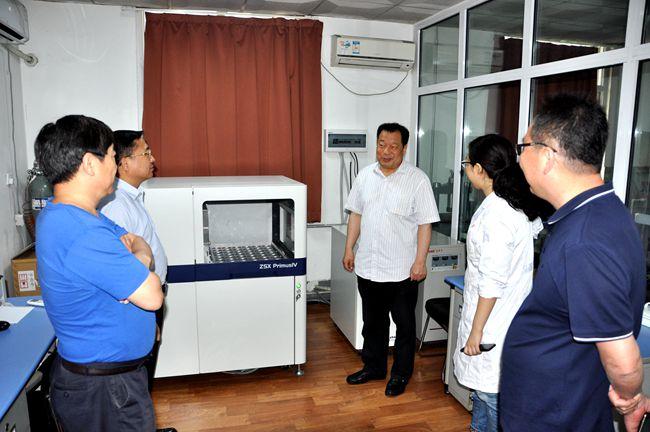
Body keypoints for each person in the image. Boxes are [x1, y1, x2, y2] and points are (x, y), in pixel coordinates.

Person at [500, 95, 646, 431]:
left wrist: (630, 398)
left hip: (555, 414)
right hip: (565, 400)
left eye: (524, 147)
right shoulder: (601, 210)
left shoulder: (584, 241)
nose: (520, 158)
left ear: (547, 156)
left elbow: (623, 361)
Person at [35, 115, 163, 431]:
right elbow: (151, 296)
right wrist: (141, 262)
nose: (115, 166)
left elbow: (136, 239)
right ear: (90, 164)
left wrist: (138, 257)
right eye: (111, 156)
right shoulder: (82, 232)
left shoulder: (74, 214)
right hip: (106, 393)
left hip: (106, 383)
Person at [453, 134, 550, 432]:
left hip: (493, 324)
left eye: (467, 163)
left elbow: (492, 282)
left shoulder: (497, 215)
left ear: (479, 169)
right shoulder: (512, 206)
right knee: (483, 394)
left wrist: (476, 331)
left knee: (492, 396)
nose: (465, 169)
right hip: (504, 318)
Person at [342, 122, 440, 397]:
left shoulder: (417, 180)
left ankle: (400, 374)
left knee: (405, 326)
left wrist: (420, 261)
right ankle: (373, 367)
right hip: (369, 266)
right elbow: (356, 215)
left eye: (393, 146)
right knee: (372, 324)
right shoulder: (365, 176)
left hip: (402, 271)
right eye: (381, 145)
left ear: (404, 148)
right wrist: (349, 249)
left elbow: (425, 224)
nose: (386, 151)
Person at [98, 131, 175, 432]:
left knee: (144, 375)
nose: (153, 158)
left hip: (148, 300)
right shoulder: (117, 205)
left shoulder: (130, 197)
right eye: (146, 153)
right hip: (140, 303)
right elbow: (124, 273)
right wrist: (144, 317)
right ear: (124, 163)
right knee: (135, 379)